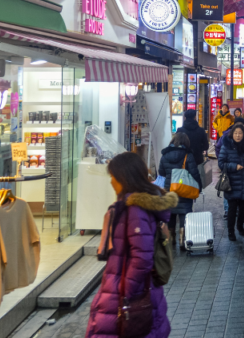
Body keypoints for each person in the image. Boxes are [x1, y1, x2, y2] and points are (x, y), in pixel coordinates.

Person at [87, 152, 176, 338]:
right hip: (136, 291)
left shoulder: (134, 210)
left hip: (129, 295)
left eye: (113, 177)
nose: (111, 182)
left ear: (123, 177)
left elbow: (142, 258)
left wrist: (126, 293)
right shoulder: (134, 205)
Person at [157, 132, 202, 250]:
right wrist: (199, 187)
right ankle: (182, 241)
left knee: (171, 214)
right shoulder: (188, 155)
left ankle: (171, 240)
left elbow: (161, 173)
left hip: (169, 189)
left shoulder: (165, 155)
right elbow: (195, 173)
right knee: (184, 213)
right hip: (184, 189)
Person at [217, 123, 244, 241]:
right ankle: (231, 231)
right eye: (236, 133)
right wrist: (234, 166)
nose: (238, 135)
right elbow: (221, 164)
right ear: (232, 134)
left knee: (243, 207)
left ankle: (240, 226)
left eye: (240, 133)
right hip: (231, 182)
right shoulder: (226, 146)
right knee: (232, 209)